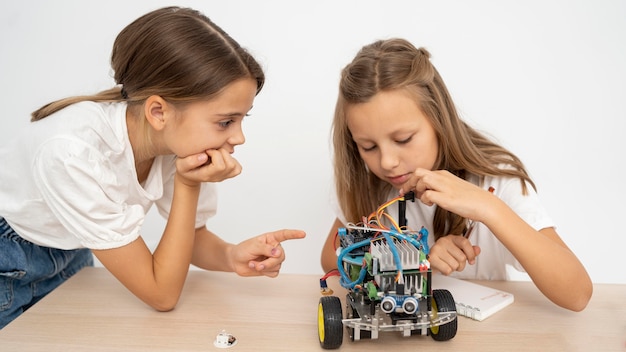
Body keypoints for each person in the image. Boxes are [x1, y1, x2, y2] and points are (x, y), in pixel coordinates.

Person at [0, 6, 305, 329]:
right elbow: (162, 294)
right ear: (158, 112)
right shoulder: (71, 154)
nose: (239, 137)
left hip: (72, 252)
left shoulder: (173, 143)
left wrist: (231, 255)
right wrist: (189, 185)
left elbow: (191, 238)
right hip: (11, 261)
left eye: (243, 118)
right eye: (226, 121)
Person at [320, 38, 591, 312]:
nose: (388, 162)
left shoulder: (498, 183)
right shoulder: (368, 186)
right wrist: (418, 261)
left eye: (403, 139)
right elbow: (332, 259)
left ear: (439, 119)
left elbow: (577, 294)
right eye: (368, 147)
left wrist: (488, 207)